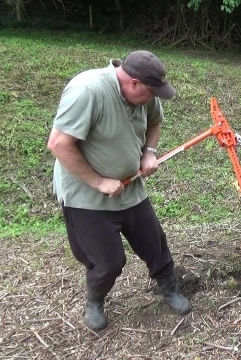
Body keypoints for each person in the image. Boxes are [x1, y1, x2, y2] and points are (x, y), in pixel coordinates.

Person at [47, 50, 191, 332]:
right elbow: (59, 144)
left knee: (155, 243)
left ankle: (170, 288)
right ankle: (95, 301)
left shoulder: (144, 97)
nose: (153, 99)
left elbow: (154, 122)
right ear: (133, 83)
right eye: (151, 92)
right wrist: (99, 182)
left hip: (130, 188)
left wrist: (149, 153)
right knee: (108, 261)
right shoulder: (87, 91)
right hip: (87, 195)